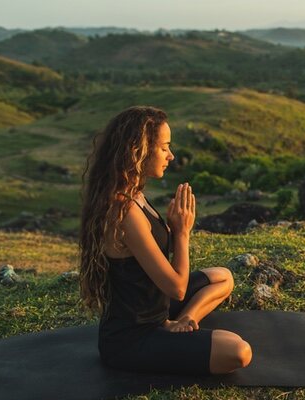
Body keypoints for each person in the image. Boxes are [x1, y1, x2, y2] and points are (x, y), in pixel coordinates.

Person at [78, 106, 252, 375]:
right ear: (138, 150)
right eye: (164, 148)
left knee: (223, 277)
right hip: (132, 339)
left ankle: (184, 321)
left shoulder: (134, 194)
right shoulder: (124, 213)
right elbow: (178, 288)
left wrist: (183, 318)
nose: (171, 155)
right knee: (239, 352)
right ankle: (172, 327)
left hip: (157, 310)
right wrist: (181, 232)